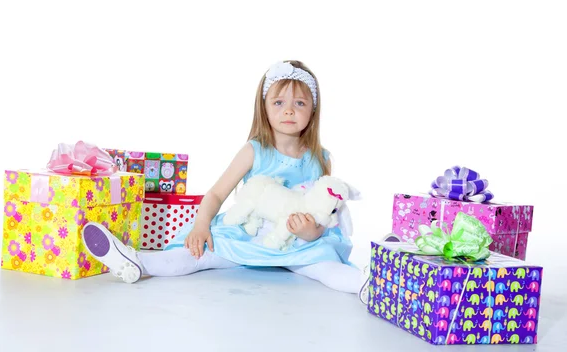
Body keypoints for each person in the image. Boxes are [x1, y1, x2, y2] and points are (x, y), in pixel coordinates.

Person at [81, 60, 373, 303]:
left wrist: (312, 232)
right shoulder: (254, 150)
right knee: (197, 255)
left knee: (326, 266)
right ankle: (135, 260)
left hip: (295, 241)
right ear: (265, 107)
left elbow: (325, 209)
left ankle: (369, 285)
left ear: (313, 110)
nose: (289, 110)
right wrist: (201, 226)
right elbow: (217, 194)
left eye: (300, 102)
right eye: (279, 102)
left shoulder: (321, 158)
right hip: (249, 234)